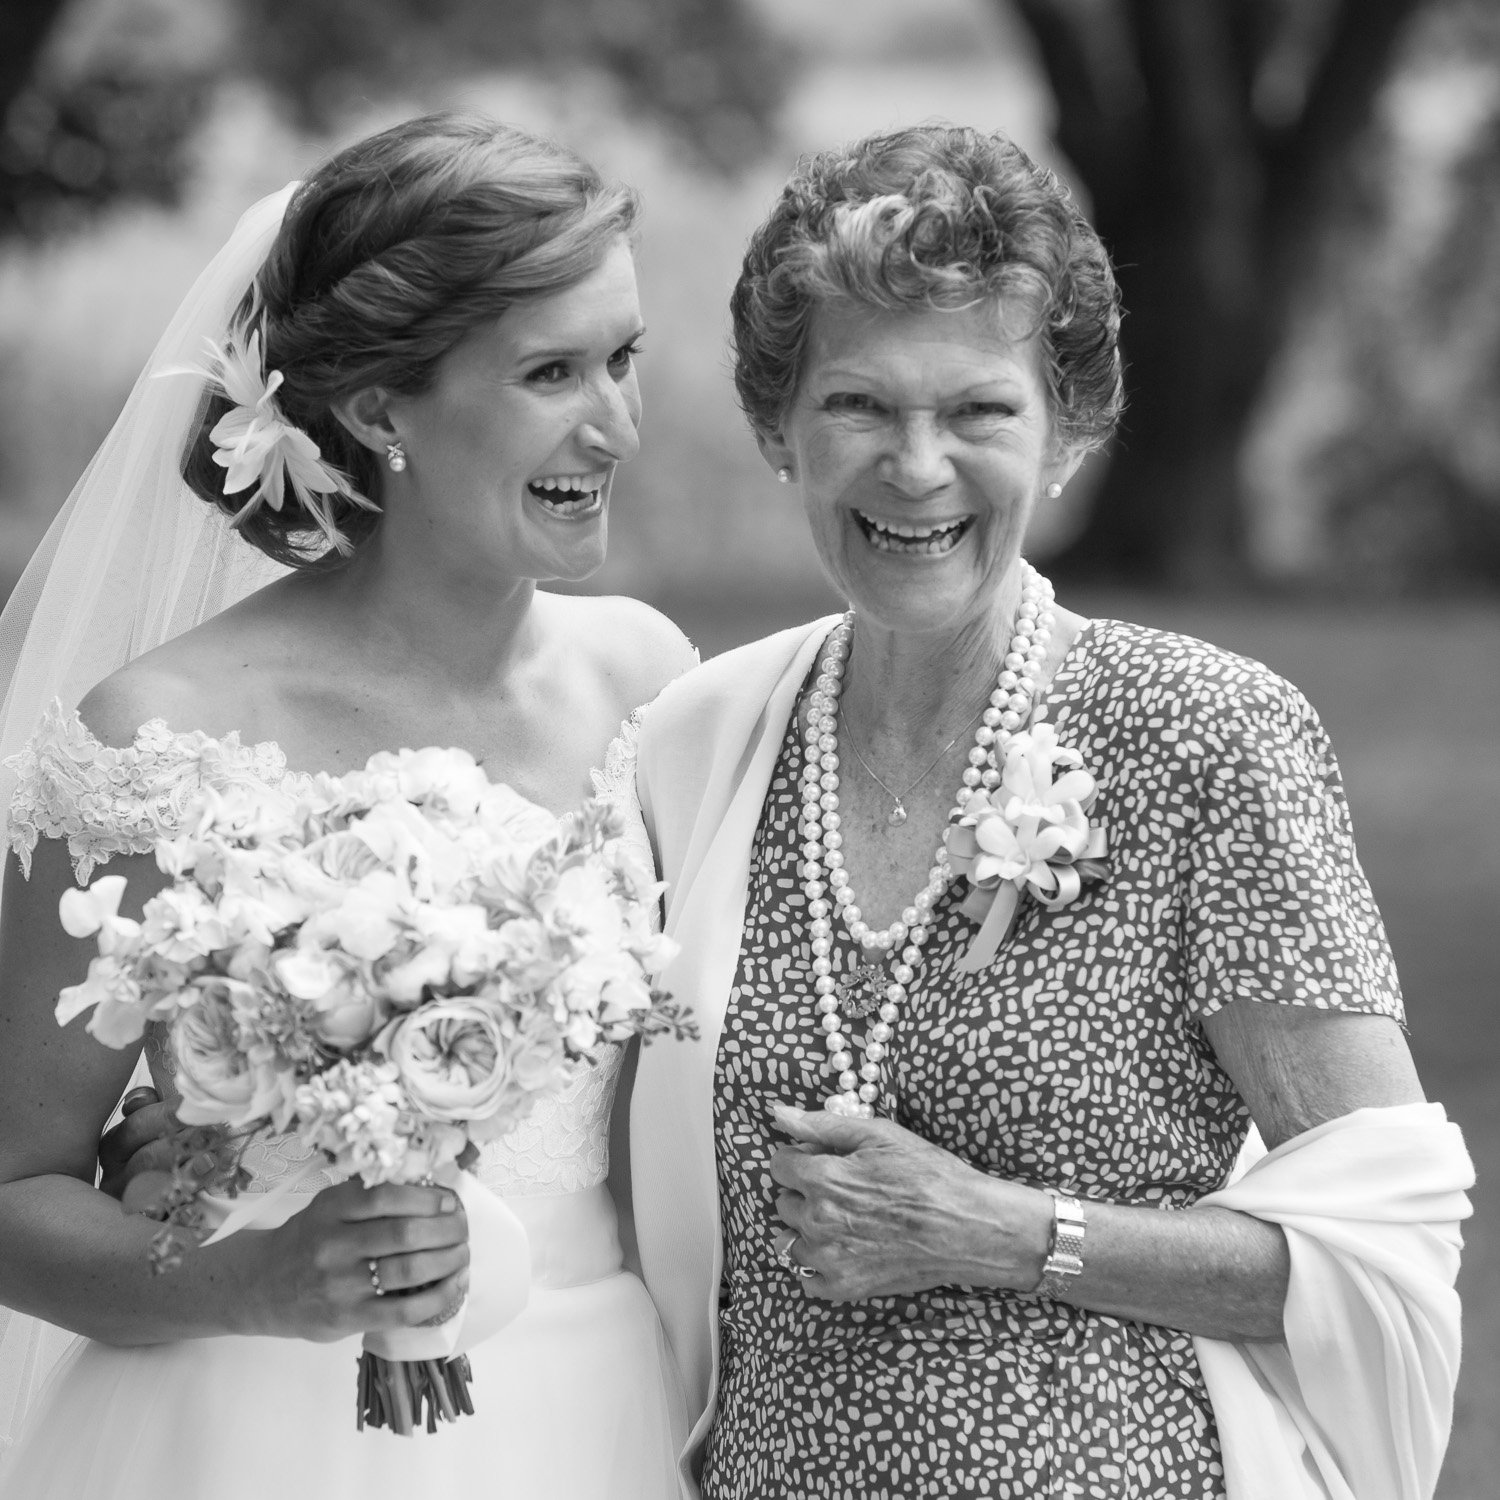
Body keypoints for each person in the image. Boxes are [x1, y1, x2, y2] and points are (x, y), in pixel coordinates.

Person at [626, 125, 1475, 1500]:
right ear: (778, 429)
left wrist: (1005, 1231)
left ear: (1070, 433)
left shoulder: (1206, 735)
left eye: (979, 411)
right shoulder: (700, 743)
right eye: (858, 406)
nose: (915, 467)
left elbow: (1383, 1248)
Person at [0, 112, 695, 1498]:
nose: (614, 424)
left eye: (623, 358)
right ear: (380, 410)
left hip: (595, 1415)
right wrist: (249, 1281)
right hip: (247, 1432)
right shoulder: (162, 737)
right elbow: (11, 1191)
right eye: (550, 372)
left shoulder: (655, 682)